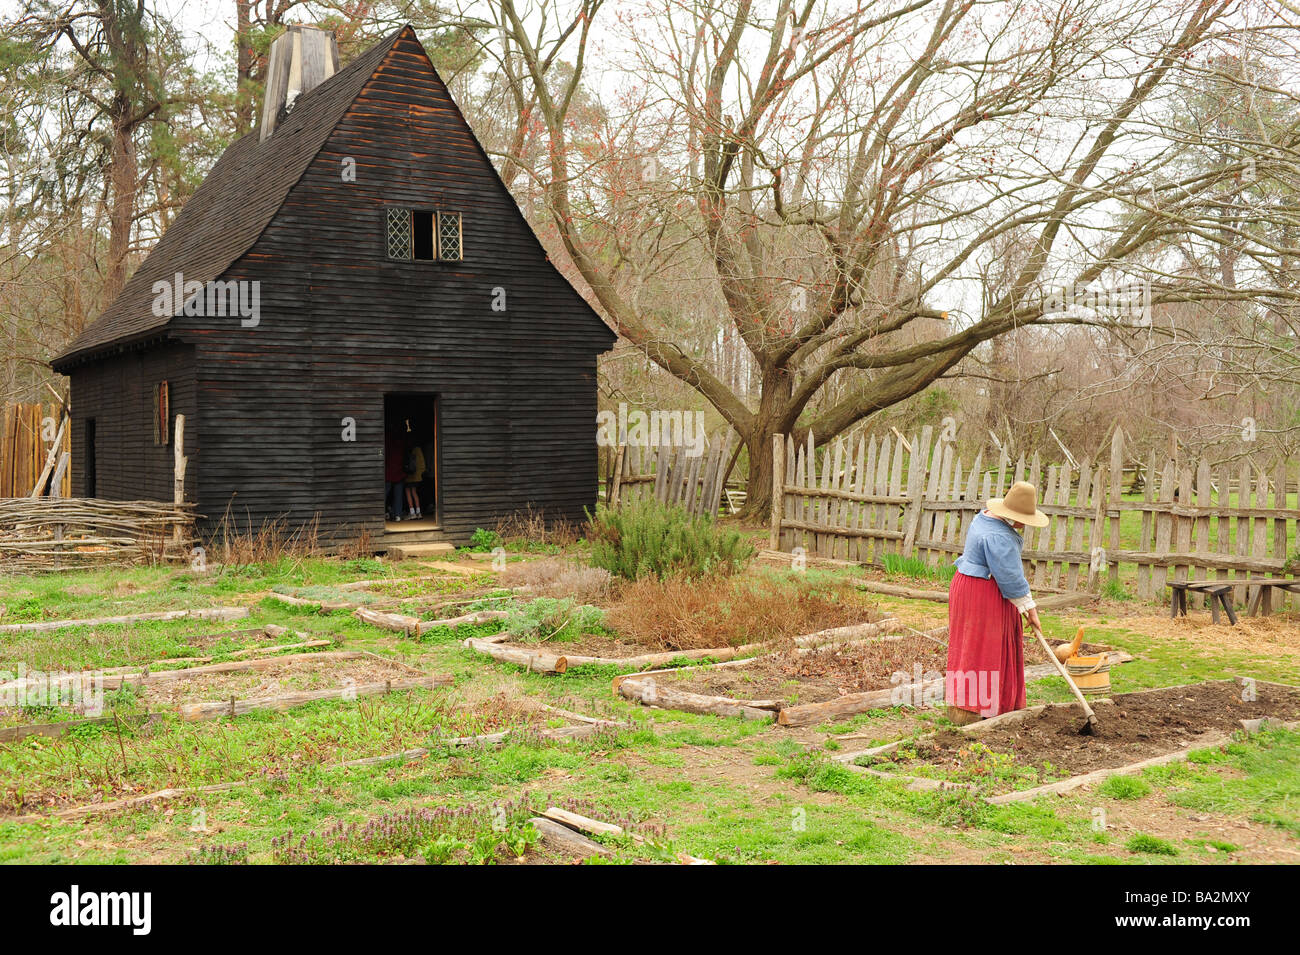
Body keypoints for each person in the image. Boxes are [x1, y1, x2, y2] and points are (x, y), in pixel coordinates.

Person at [946, 480, 1049, 723]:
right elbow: (1010, 577)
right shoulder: (998, 535)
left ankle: (972, 704)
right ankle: (979, 709)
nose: (1024, 524)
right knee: (984, 646)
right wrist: (1029, 608)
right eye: (1024, 519)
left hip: (966, 586)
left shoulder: (984, 517)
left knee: (971, 643)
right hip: (983, 593)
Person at [384, 428, 406, 522]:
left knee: (384, 495)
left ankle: (381, 513)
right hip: (399, 472)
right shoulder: (401, 442)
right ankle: (398, 515)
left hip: (388, 472)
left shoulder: (387, 442)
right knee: (398, 496)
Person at [403, 441, 426, 519]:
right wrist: (419, 473)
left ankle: (412, 512)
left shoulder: (407, 450)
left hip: (408, 475)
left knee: (408, 492)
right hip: (416, 476)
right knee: (414, 492)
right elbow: (422, 464)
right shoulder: (418, 450)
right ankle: (418, 512)